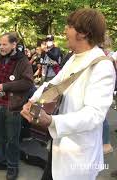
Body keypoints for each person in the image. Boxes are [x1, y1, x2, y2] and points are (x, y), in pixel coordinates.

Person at [21, 8, 115, 180]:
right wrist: (32, 100)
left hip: (78, 156)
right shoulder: (74, 57)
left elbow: (94, 114)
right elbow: (54, 84)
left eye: (69, 26)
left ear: (84, 32)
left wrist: (52, 121)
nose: (64, 30)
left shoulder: (102, 66)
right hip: (58, 149)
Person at [0, 32, 33, 180]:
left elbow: (28, 82)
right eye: (0, 44)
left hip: (13, 106)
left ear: (13, 45)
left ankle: (12, 166)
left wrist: (5, 86)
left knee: (12, 138)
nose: (1, 47)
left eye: (4, 44)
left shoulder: (23, 60)